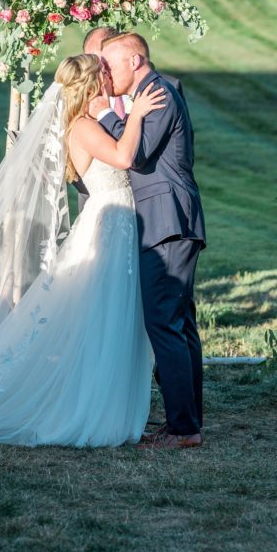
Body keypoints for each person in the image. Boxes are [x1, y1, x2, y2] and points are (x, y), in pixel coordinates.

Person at [0, 54, 165, 447]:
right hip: (109, 224)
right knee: (103, 315)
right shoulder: (82, 126)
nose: (108, 80)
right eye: (103, 75)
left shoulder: (85, 122)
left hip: (118, 223)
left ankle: (109, 405)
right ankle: (88, 409)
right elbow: (122, 157)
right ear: (91, 85)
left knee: (112, 316)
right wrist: (137, 116)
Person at [92, 31, 206, 450]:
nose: (105, 73)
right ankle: (188, 421)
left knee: (165, 325)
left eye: (110, 64)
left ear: (135, 61)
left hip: (167, 221)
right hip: (172, 221)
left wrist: (106, 114)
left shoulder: (155, 95)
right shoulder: (154, 92)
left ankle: (183, 429)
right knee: (179, 324)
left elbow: (135, 155)